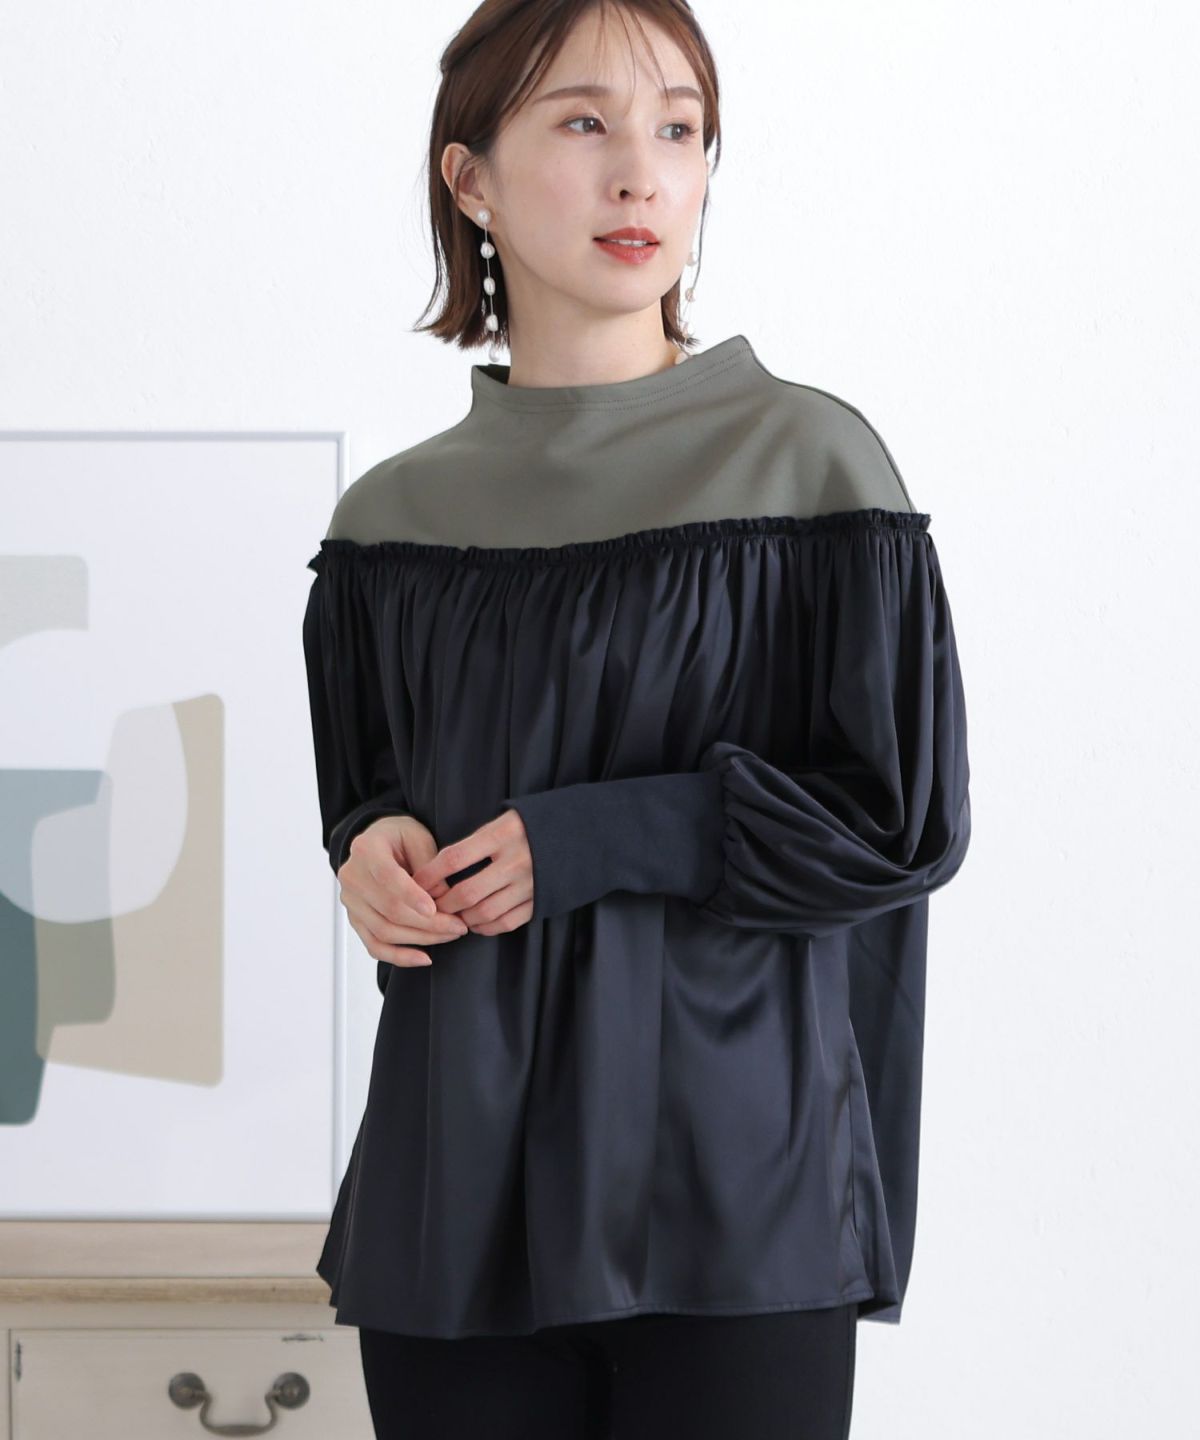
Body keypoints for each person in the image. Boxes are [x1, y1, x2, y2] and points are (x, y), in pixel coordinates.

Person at [301, 1, 972, 1436]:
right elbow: (372, 796)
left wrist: (597, 837)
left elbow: (898, 825)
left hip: (735, 1199)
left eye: (679, 129)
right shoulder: (389, 523)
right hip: (455, 1199)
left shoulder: (811, 467)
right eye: (584, 123)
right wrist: (372, 848)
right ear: (470, 179)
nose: (642, 174)